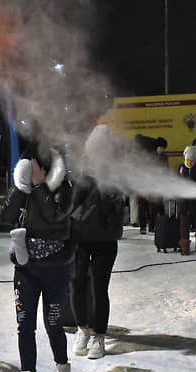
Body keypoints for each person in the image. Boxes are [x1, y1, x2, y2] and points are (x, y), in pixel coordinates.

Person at [0, 142, 73, 372]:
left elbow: (56, 218)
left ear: (43, 167)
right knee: (24, 324)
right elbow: (5, 216)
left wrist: (41, 186)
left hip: (54, 268)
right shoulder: (22, 188)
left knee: (53, 323)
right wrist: (20, 189)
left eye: (31, 167)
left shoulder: (61, 189)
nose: (27, 171)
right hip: (25, 268)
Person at [69, 125, 125, 360]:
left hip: (104, 239)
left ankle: (98, 336)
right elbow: (71, 204)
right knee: (76, 283)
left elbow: (117, 207)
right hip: (80, 237)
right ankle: (82, 329)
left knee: (98, 288)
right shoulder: (80, 171)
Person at [176, 145, 196, 254]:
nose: (189, 162)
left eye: (192, 160)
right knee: (184, 225)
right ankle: (185, 247)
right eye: (187, 160)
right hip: (184, 202)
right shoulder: (181, 168)